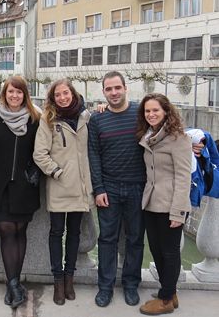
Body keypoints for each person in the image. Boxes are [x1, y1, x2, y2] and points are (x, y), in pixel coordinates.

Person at [88, 71, 146, 307]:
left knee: (135, 239)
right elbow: (93, 154)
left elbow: (167, 129)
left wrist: (198, 140)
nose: (113, 93)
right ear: (103, 92)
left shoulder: (141, 114)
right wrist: (98, 188)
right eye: (109, 89)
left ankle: (131, 284)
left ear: (125, 88)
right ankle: (105, 287)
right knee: (107, 239)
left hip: (138, 187)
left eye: (117, 88)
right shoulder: (97, 118)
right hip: (109, 189)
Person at [0, 76, 41, 309]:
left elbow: (41, 150)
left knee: (20, 231)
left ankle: (13, 284)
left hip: (25, 185)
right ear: (4, 94)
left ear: (24, 95)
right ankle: (14, 283)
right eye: (11, 92)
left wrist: (33, 173)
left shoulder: (34, 118)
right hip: (0, 186)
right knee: (7, 231)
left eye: (19, 92)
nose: (15, 96)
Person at [33, 79, 93, 306]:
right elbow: (40, 154)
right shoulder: (48, 120)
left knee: (75, 234)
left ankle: (70, 277)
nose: (62, 98)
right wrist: (56, 172)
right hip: (59, 186)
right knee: (56, 233)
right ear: (53, 98)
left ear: (73, 93)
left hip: (80, 187)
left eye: (65, 93)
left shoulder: (87, 118)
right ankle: (58, 280)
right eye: (57, 95)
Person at [136, 94, 191, 316]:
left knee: (169, 253)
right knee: (157, 250)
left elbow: (183, 177)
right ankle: (169, 291)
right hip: (151, 203)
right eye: (147, 111)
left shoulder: (179, 138)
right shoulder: (150, 136)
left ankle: (166, 299)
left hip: (170, 205)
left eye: (155, 110)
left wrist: (178, 212)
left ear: (166, 111)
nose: (151, 114)